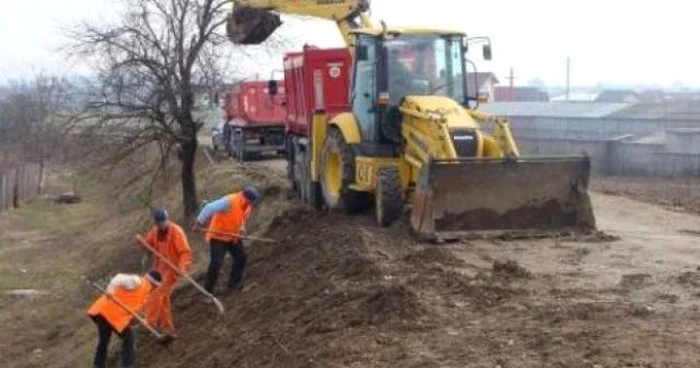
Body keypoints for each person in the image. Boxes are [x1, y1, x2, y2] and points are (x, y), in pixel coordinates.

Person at [192, 186, 261, 295]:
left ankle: (233, 285)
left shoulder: (247, 206)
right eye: (251, 201)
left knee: (241, 257)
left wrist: (242, 230)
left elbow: (240, 219)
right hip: (218, 237)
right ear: (245, 197)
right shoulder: (229, 201)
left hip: (233, 236)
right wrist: (199, 223)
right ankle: (208, 291)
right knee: (216, 263)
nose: (252, 204)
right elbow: (209, 208)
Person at [87, 270, 162, 368]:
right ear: (154, 284)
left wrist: (140, 321)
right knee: (129, 339)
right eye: (156, 287)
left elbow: (130, 312)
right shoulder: (137, 282)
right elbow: (118, 278)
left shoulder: (144, 294)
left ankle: (98, 365)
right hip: (109, 313)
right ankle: (126, 365)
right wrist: (110, 291)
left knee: (105, 340)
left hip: (104, 313)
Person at [141, 208, 192, 337]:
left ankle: (149, 322)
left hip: (172, 270)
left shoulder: (176, 232)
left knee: (157, 293)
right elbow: (149, 243)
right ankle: (167, 327)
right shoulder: (155, 232)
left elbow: (185, 252)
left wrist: (182, 267)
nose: (162, 224)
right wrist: (142, 242)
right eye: (159, 223)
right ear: (156, 223)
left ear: (167, 219)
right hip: (158, 270)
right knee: (162, 299)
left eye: (164, 221)